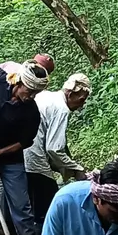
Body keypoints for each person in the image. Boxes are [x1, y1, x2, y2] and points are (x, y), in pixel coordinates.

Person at [0, 54, 49, 235]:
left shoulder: (31, 112)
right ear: (21, 82)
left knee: (20, 202)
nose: (32, 96)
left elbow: (23, 142)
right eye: (30, 90)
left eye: (36, 93)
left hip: (9, 155)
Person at [26, 73, 92, 225]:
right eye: (81, 100)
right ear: (70, 93)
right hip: (34, 158)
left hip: (22, 155)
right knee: (49, 205)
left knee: (32, 203)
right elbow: (54, 149)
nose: (81, 105)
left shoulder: (46, 96)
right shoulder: (61, 108)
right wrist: (76, 168)